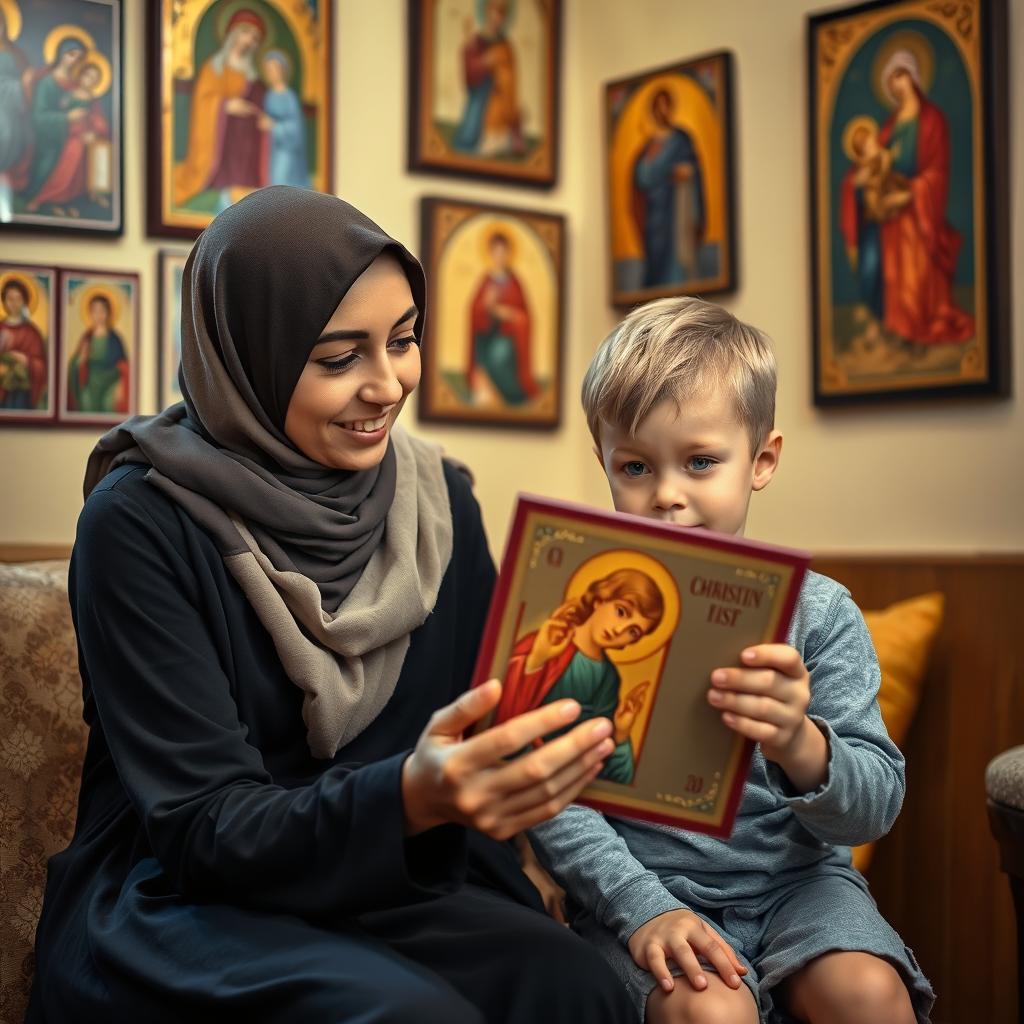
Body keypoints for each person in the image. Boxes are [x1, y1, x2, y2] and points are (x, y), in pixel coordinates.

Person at [27, 186, 635, 1023]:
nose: (387, 386)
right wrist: (411, 797)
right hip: (186, 899)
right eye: (339, 357)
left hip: (386, 877)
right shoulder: (139, 522)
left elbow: (494, 728)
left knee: (581, 989)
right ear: (252, 355)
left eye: (403, 340)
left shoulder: (441, 503)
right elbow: (203, 828)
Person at [529, 296, 935, 1024]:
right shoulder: (584, 615)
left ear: (762, 460)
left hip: (800, 889)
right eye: (635, 466)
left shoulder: (822, 613)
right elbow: (555, 802)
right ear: (605, 466)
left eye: (700, 461)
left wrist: (801, 745)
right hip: (645, 889)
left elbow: (873, 806)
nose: (667, 496)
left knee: (869, 996)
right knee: (710, 1011)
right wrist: (642, 907)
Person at [495, 568, 664, 784]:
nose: (619, 629)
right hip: (519, 770)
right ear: (601, 599)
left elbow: (613, 779)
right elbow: (498, 717)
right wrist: (537, 658)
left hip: (571, 780)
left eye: (633, 632)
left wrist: (621, 734)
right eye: (621, 611)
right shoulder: (548, 641)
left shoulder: (608, 678)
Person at [873, 49, 973, 345]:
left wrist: (911, 193)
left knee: (917, 273)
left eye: (900, 75)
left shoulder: (932, 120)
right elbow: (874, 164)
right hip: (893, 217)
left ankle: (920, 331)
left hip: (918, 210)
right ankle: (902, 332)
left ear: (914, 77)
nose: (896, 84)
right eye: (891, 79)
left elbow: (938, 171)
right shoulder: (889, 127)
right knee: (895, 276)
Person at [173, 8, 267, 213]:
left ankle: (243, 185)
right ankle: (220, 182)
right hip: (221, 132)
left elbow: (258, 102)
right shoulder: (214, 67)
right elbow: (203, 100)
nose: (249, 40)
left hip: (246, 133)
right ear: (233, 33)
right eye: (245, 33)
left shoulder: (251, 73)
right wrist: (226, 106)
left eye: (254, 37)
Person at [633, 90, 705, 288]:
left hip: (677, 209)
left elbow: (693, 169)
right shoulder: (649, 146)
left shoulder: (681, 139)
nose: (662, 111)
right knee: (656, 250)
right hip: (656, 210)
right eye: (658, 107)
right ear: (653, 111)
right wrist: (649, 165)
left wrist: (688, 172)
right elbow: (641, 178)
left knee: (677, 256)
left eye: (666, 105)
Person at [27, 59, 110, 215]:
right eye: (87, 76)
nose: (89, 81)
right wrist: (70, 120)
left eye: (94, 79)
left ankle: (77, 199)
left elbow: (98, 119)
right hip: (70, 134)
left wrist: (94, 131)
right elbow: (62, 113)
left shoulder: (93, 99)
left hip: (86, 135)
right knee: (72, 158)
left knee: (94, 157)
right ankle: (48, 198)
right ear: (81, 76)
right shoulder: (69, 94)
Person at [468, 231, 536, 406]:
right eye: (496, 252)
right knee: (487, 359)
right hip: (486, 335)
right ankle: (487, 392)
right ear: (490, 253)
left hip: (508, 336)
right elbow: (474, 310)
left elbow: (525, 316)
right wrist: (486, 307)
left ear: (508, 254)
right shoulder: (486, 281)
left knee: (498, 357)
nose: (499, 256)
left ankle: (514, 396)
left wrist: (509, 314)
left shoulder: (515, 283)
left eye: (503, 252)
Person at [452, 0, 524, 156]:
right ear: (485, 11)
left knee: (500, 108)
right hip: (481, 91)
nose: (497, 17)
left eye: (501, 13)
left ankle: (505, 137)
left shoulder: (506, 45)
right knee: (472, 131)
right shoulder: (477, 40)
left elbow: (511, 74)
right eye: (494, 10)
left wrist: (503, 75)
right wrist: (483, 62)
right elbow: (470, 67)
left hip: (501, 95)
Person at [66, 292, 128, 415]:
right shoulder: (87, 337)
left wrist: (121, 384)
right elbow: (74, 364)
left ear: (108, 313)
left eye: (102, 311)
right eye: (95, 311)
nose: (99, 315)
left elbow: (124, 366)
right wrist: (81, 359)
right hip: (90, 383)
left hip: (110, 382)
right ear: (90, 314)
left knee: (109, 406)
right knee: (86, 403)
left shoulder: (115, 339)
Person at [259, 50, 311, 189]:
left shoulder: (289, 97)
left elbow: (295, 128)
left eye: (274, 69)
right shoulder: (269, 95)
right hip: (272, 149)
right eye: (268, 70)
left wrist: (274, 126)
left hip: (286, 152)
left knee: (281, 185)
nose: (271, 73)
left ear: (282, 70)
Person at [0, 277, 47, 410]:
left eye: (18, 299)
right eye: (10, 298)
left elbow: (41, 366)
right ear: (4, 301)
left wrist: (25, 360)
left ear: (24, 301)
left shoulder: (32, 332)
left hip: (21, 390)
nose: (14, 303)